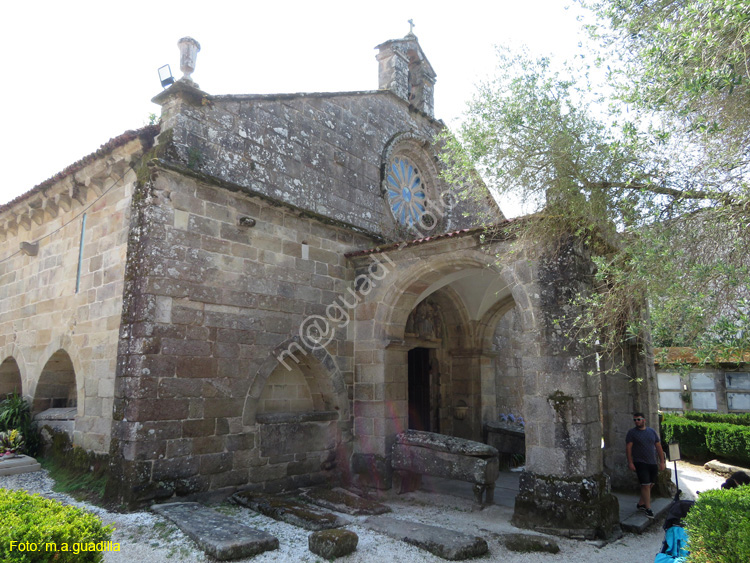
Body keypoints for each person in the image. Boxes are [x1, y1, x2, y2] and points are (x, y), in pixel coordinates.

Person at [626, 412, 666, 519]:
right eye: (635, 420)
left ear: (644, 420)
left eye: (638, 419)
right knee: (645, 484)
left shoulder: (652, 432)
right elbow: (629, 448)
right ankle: (648, 509)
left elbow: (658, 446)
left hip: (652, 462)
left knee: (651, 484)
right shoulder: (632, 433)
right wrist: (630, 462)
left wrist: (662, 461)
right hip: (640, 462)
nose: (636, 422)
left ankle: (641, 504)